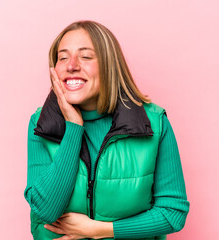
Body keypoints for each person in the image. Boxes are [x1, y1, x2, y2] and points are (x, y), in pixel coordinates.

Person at [24, 20, 189, 240]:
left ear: (109, 65)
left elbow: (173, 213)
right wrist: (73, 128)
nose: (71, 65)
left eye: (85, 56)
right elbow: (46, 211)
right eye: (62, 57)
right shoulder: (40, 125)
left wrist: (98, 230)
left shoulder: (154, 124)